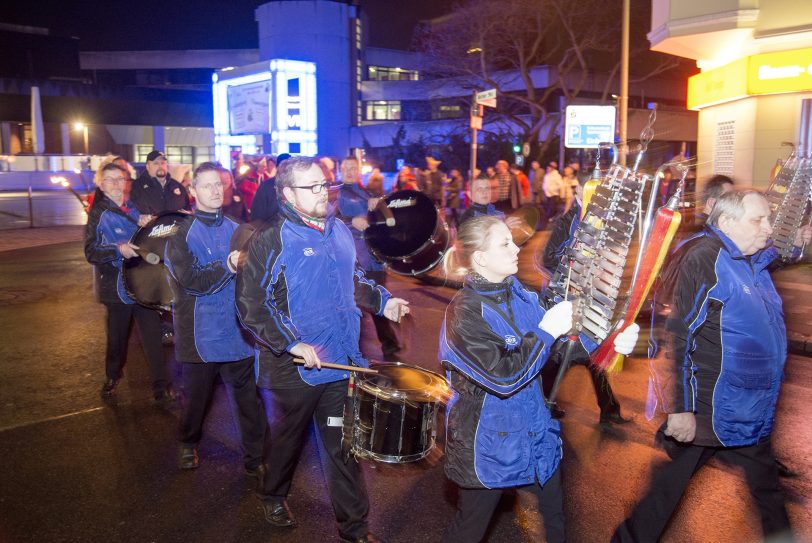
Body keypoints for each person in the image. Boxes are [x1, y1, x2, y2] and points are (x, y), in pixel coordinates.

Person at [613, 189, 812, 542]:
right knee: (664, 494)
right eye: (758, 219)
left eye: (768, 219)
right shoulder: (703, 258)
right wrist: (680, 409)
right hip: (708, 409)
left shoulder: (751, 259)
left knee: (768, 495)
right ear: (727, 223)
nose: (768, 227)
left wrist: (795, 243)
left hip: (749, 410)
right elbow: (677, 337)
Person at [236, 156, 410, 543]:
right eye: (312, 187)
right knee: (287, 441)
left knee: (342, 446)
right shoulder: (271, 239)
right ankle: (273, 492)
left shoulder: (341, 231)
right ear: (287, 194)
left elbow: (353, 280)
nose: (323, 193)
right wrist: (290, 343)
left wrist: (384, 302)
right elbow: (251, 304)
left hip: (340, 362)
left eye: (324, 184)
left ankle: (355, 529)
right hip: (292, 368)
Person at [439, 215, 639, 543]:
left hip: (535, 433)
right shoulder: (464, 312)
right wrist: (546, 330)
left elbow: (560, 352)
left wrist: (609, 343)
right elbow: (504, 376)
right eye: (504, 243)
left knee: (555, 520)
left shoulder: (522, 294)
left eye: (512, 240)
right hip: (489, 446)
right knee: (469, 531)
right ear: (481, 258)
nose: (516, 248)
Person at [163, 162, 266, 474]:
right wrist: (229, 265)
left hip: (237, 331)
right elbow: (192, 281)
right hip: (201, 336)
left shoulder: (239, 228)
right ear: (192, 191)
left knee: (249, 401)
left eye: (219, 184)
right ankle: (187, 442)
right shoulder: (180, 233)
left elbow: (256, 278)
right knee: (196, 402)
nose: (216, 190)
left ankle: (257, 458)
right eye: (207, 185)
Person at [537, 179, 630, 425]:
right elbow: (547, 260)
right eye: (589, 189)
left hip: (591, 300)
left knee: (594, 354)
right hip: (564, 301)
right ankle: (543, 402)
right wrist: (572, 270)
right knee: (559, 358)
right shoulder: (567, 221)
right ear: (578, 192)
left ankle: (609, 408)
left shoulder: (606, 222)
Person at [83, 162, 175, 403]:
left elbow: (146, 237)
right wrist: (117, 250)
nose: (115, 184)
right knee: (117, 339)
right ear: (101, 184)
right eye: (110, 180)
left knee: (152, 336)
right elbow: (90, 251)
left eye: (119, 179)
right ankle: (112, 377)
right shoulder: (99, 213)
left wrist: (147, 222)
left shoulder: (132, 207)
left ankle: (160, 387)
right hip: (117, 289)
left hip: (142, 283)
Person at [338, 156, 402, 362]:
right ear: (340, 170)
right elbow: (327, 219)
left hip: (372, 258)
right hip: (351, 261)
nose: (349, 171)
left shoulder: (366, 192)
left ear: (358, 171)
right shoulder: (334, 193)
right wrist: (350, 219)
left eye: (352, 168)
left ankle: (390, 348)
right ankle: (354, 354)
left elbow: (387, 220)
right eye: (345, 168)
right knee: (354, 309)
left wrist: (381, 209)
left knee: (378, 304)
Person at [130, 150, 190, 215]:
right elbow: (131, 210)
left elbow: (188, 212)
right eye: (156, 163)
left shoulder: (178, 186)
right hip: (149, 225)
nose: (160, 166)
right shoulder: (137, 186)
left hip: (177, 225)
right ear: (147, 166)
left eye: (163, 163)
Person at [458, 176, 522, 229]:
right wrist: (505, 227)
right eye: (491, 188)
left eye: (497, 187)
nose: (495, 191)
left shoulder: (499, 207)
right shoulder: (470, 215)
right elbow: (478, 239)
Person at [251, 154, 289, 223]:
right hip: (270, 229)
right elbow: (258, 213)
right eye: (283, 166)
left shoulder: (297, 186)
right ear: (277, 167)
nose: (285, 169)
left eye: (288, 167)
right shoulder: (266, 186)